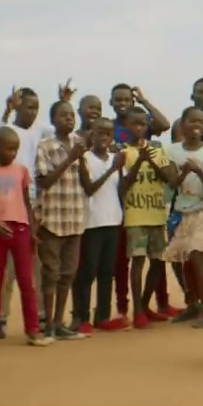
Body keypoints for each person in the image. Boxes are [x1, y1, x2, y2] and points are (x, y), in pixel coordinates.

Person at [0, 127, 48, 346]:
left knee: (27, 282)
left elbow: (26, 202)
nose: (12, 153)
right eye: (8, 148)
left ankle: (33, 330)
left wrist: (33, 231)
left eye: (15, 149)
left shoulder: (21, 171)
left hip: (21, 229)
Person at [119, 106, 181, 327]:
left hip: (156, 214)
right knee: (138, 262)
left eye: (143, 124)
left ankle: (145, 304)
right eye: (135, 124)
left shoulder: (157, 150)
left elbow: (168, 180)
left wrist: (150, 160)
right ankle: (137, 311)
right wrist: (139, 161)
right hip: (135, 215)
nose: (139, 128)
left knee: (157, 261)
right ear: (126, 126)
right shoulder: (123, 152)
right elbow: (123, 186)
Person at [35, 100, 89, 341]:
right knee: (51, 273)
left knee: (68, 274)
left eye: (71, 115)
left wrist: (82, 158)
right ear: (53, 120)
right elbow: (44, 181)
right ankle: (47, 324)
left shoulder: (79, 144)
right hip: (52, 219)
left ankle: (59, 323)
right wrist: (70, 158)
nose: (69, 118)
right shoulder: (45, 146)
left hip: (75, 218)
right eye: (63, 115)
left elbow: (86, 183)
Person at [163, 106, 203, 328]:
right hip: (182, 211)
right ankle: (192, 303)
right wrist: (184, 172)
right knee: (180, 260)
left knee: (197, 257)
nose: (196, 126)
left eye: (200, 122)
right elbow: (172, 184)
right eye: (192, 121)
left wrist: (197, 170)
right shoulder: (172, 151)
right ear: (183, 124)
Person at [74, 118, 125, 332]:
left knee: (107, 272)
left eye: (108, 133)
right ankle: (81, 317)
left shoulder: (116, 158)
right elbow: (89, 188)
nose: (104, 137)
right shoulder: (84, 158)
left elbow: (120, 189)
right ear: (91, 134)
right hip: (92, 223)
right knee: (87, 272)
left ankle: (102, 316)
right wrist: (112, 170)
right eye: (100, 133)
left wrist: (120, 169)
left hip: (113, 221)